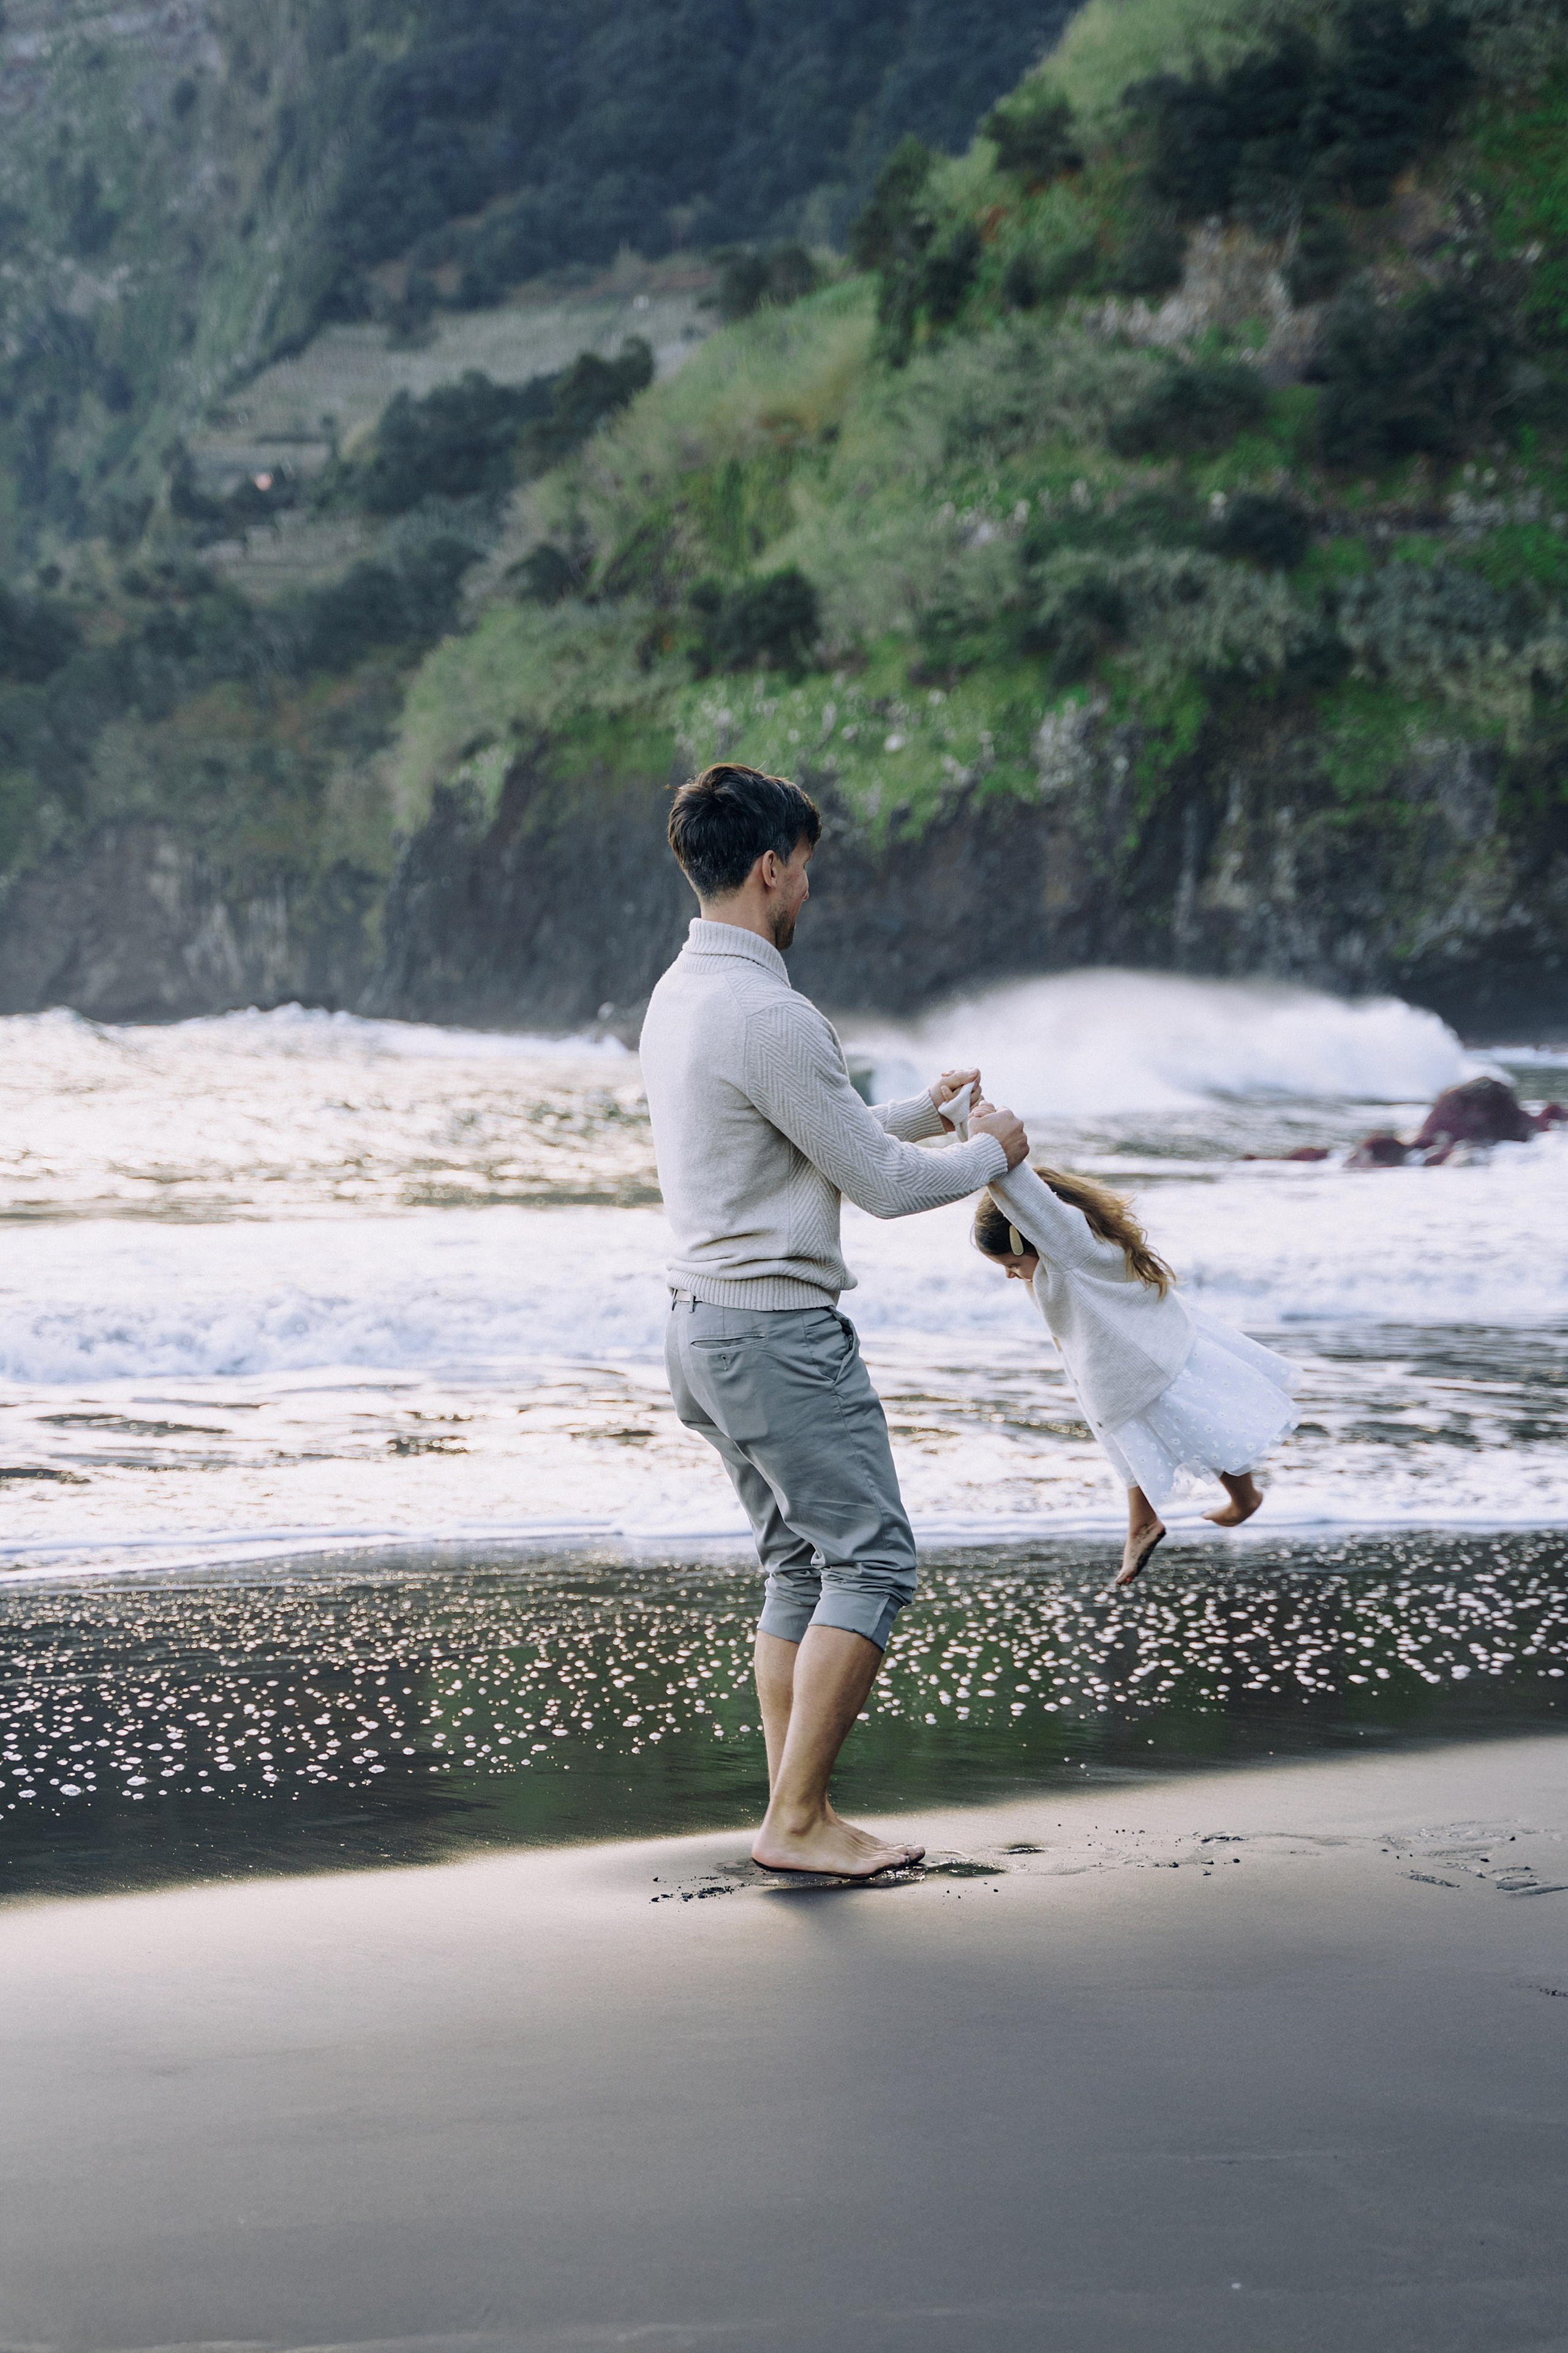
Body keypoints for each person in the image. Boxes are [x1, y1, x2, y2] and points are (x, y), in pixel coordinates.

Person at [639, 763, 1029, 1878]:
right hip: (776, 1339)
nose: (809, 889)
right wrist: (991, 1152)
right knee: (872, 1559)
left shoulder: (685, 994)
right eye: (804, 869)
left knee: (799, 1568)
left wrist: (926, 1106)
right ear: (770, 868)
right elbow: (888, 1186)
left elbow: (813, 1128)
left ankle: (792, 1810)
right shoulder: (775, 1012)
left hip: (701, 1333)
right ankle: (799, 1821)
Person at [952, 1088, 1297, 1587]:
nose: (1011, 1275)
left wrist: (984, 1138)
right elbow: (1015, 1199)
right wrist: (970, 1122)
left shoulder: (1065, 1244)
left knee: (1206, 1434)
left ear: (1032, 1234)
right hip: (1128, 1362)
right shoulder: (1072, 1248)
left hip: (1143, 1364)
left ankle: (1237, 1501)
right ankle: (1150, 1519)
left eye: (1011, 1264)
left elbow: (1021, 1193)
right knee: (1135, 1441)